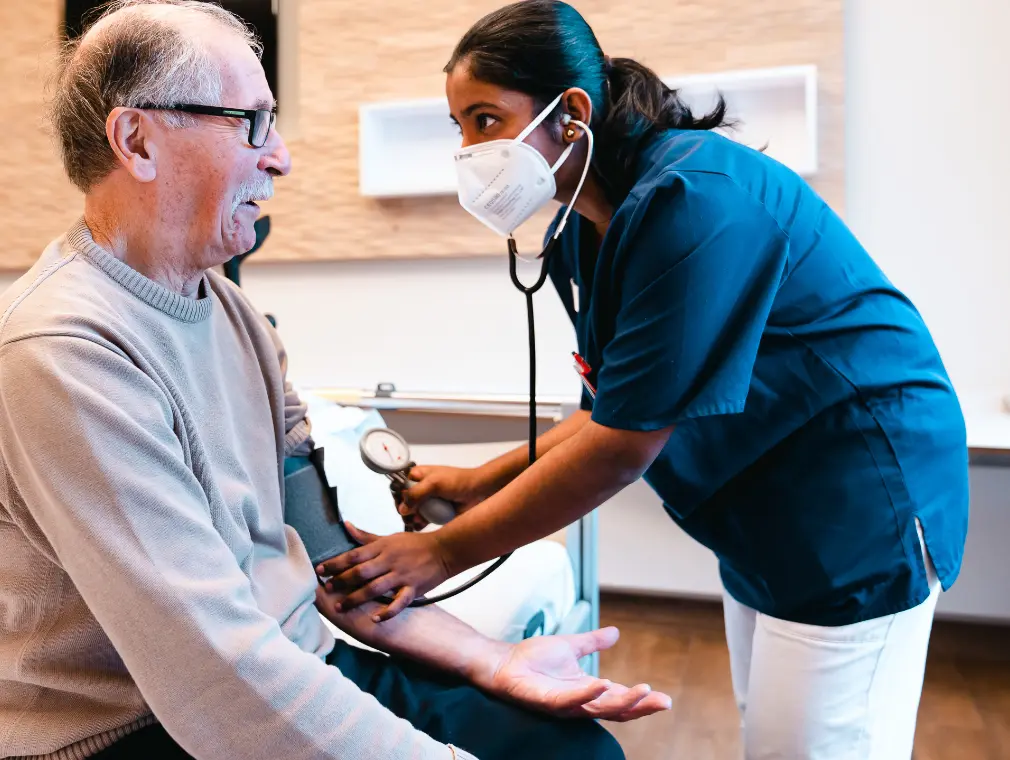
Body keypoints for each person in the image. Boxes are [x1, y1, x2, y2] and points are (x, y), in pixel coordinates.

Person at [0, 2, 672, 759]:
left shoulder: (235, 318)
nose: (281, 157)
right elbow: (212, 672)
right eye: (252, 122)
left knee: (574, 752)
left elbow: (329, 562)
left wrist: (496, 660)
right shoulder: (61, 352)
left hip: (283, 663)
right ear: (137, 140)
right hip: (139, 725)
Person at [320, 1, 971, 757]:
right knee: (778, 733)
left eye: (485, 121)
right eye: (457, 127)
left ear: (571, 114)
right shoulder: (583, 232)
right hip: (768, 515)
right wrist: (473, 484)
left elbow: (622, 448)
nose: (467, 150)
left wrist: (440, 553)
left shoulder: (698, 201)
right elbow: (608, 409)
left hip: (857, 502)